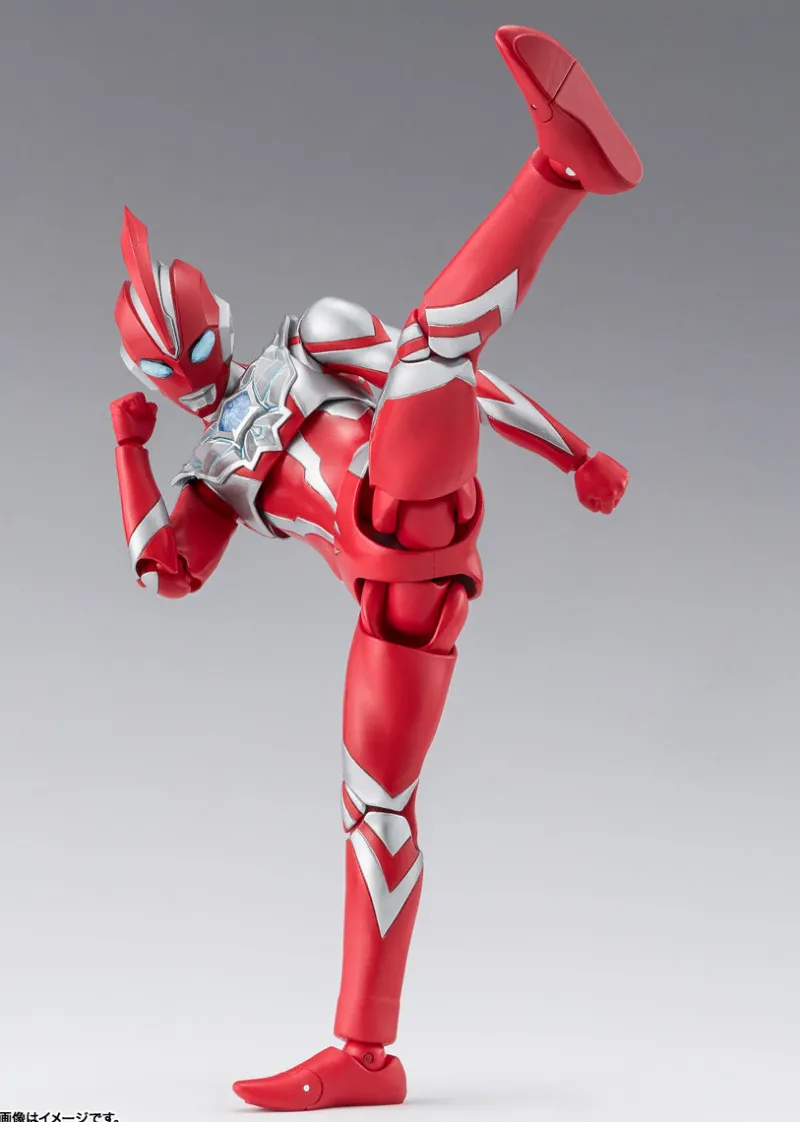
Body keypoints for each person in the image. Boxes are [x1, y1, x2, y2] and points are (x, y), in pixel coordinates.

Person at [110, 25, 641, 1111]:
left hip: (403, 498)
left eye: (192, 346)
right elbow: (165, 571)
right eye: (166, 367)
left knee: (428, 354)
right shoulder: (208, 475)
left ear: (218, 323)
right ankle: (364, 1057)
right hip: (389, 609)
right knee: (375, 812)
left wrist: (572, 452)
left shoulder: (314, 339)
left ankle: (557, 171)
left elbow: (449, 376)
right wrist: (128, 454)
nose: (187, 374)